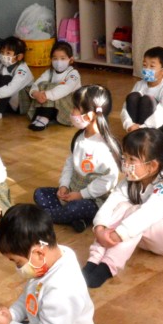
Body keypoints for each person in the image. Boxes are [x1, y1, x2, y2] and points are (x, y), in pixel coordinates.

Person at [83, 128, 163, 289]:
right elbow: (112, 203)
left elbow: (146, 215)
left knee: (135, 213)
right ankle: (93, 261)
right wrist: (100, 227)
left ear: (152, 166)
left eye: (132, 159)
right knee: (122, 206)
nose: (125, 164)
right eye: (124, 157)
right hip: (141, 237)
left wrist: (117, 234)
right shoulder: (132, 179)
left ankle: (107, 267)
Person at [33, 85, 122, 233]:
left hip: (93, 199)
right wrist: (64, 186)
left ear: (89, 116)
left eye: (75, 108)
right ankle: (75, 219)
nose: (72, 111)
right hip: (73, 191)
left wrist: (81, 195)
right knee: (39, 194)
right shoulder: (79, 137)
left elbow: (109, 180)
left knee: (74, 208)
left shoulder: (104, 147)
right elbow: (70, 163)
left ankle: (47, 216)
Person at [20, 40, 82, 131]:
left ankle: (44, 116)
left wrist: (46, 94)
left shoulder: (73, 74)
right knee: (40, 85)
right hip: (54, 104)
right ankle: (42, 115)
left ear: (71, 60)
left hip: (69, 107)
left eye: (63, 58)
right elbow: (37, 83)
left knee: (52, 88)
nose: (58, 62)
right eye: (55, 58)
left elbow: (65, 88)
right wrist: (35, 93)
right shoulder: (49, 72)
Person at [121, 46, 163, 136]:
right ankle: (137, 134)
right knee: (133, 96)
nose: (146, 69)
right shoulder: (139, 84)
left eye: (152, 66)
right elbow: (126, 106)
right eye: (144, 65)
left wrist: (143, 127)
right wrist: (129, 124)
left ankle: (141, 134)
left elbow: (162, 114)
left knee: (146, 100)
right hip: (140, 125)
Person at [0, 37, 34, 123]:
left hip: (20, 106)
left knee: (7, 79)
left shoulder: (22, 70)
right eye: (2, 52)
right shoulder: (1, 66)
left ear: (19, 56)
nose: (3, 55)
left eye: (8, 53)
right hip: (7, 102)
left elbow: (12, 88)